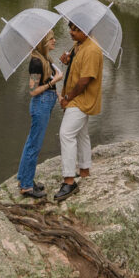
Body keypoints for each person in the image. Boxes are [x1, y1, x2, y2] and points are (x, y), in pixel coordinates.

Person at [54, 21, 103, 202]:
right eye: (71, 28)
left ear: (87, 31)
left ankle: (69, 181)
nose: (71, 32)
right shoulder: (80, 44)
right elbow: (75, 64)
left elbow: (84, 81)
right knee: (81, 134)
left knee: (65, 134)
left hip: (81, 99)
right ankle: (84, 170)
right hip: (77, 98)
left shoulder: (92, 50)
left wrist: (67, 98)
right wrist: (68, 59)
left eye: (76, 30)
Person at [17, 29, 63, 199]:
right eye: (51, 39)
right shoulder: (36, 62)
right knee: (34, 145)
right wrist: (54, 80)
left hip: (46, 102)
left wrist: (57, 93)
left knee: (32, 142)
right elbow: (33, 91)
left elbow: (48, 85)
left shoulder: (45, 60)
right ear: (43, 42)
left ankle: (24, 179)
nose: (55, 41)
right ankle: (27, 187)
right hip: (40, 103)